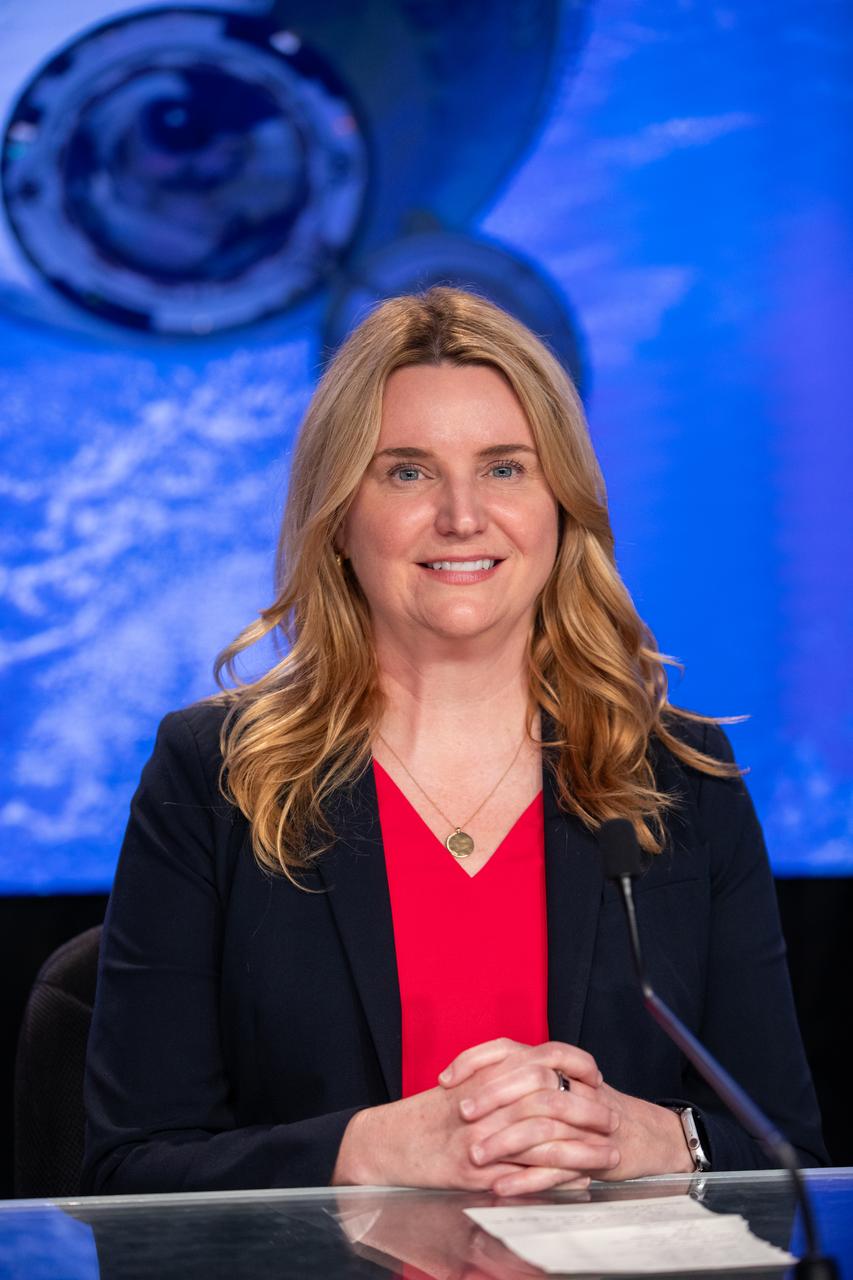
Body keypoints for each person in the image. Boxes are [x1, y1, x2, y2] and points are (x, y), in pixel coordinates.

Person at [81, 287, 827, 1196]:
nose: (462, 516)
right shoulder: (216, 775)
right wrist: (368, 1150)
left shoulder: (679, 777)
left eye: (505, 468)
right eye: (407, 473)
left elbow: (790, 1158)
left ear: (562, 505)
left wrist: (656, 1137)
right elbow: (129, 1172)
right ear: (338, 517)